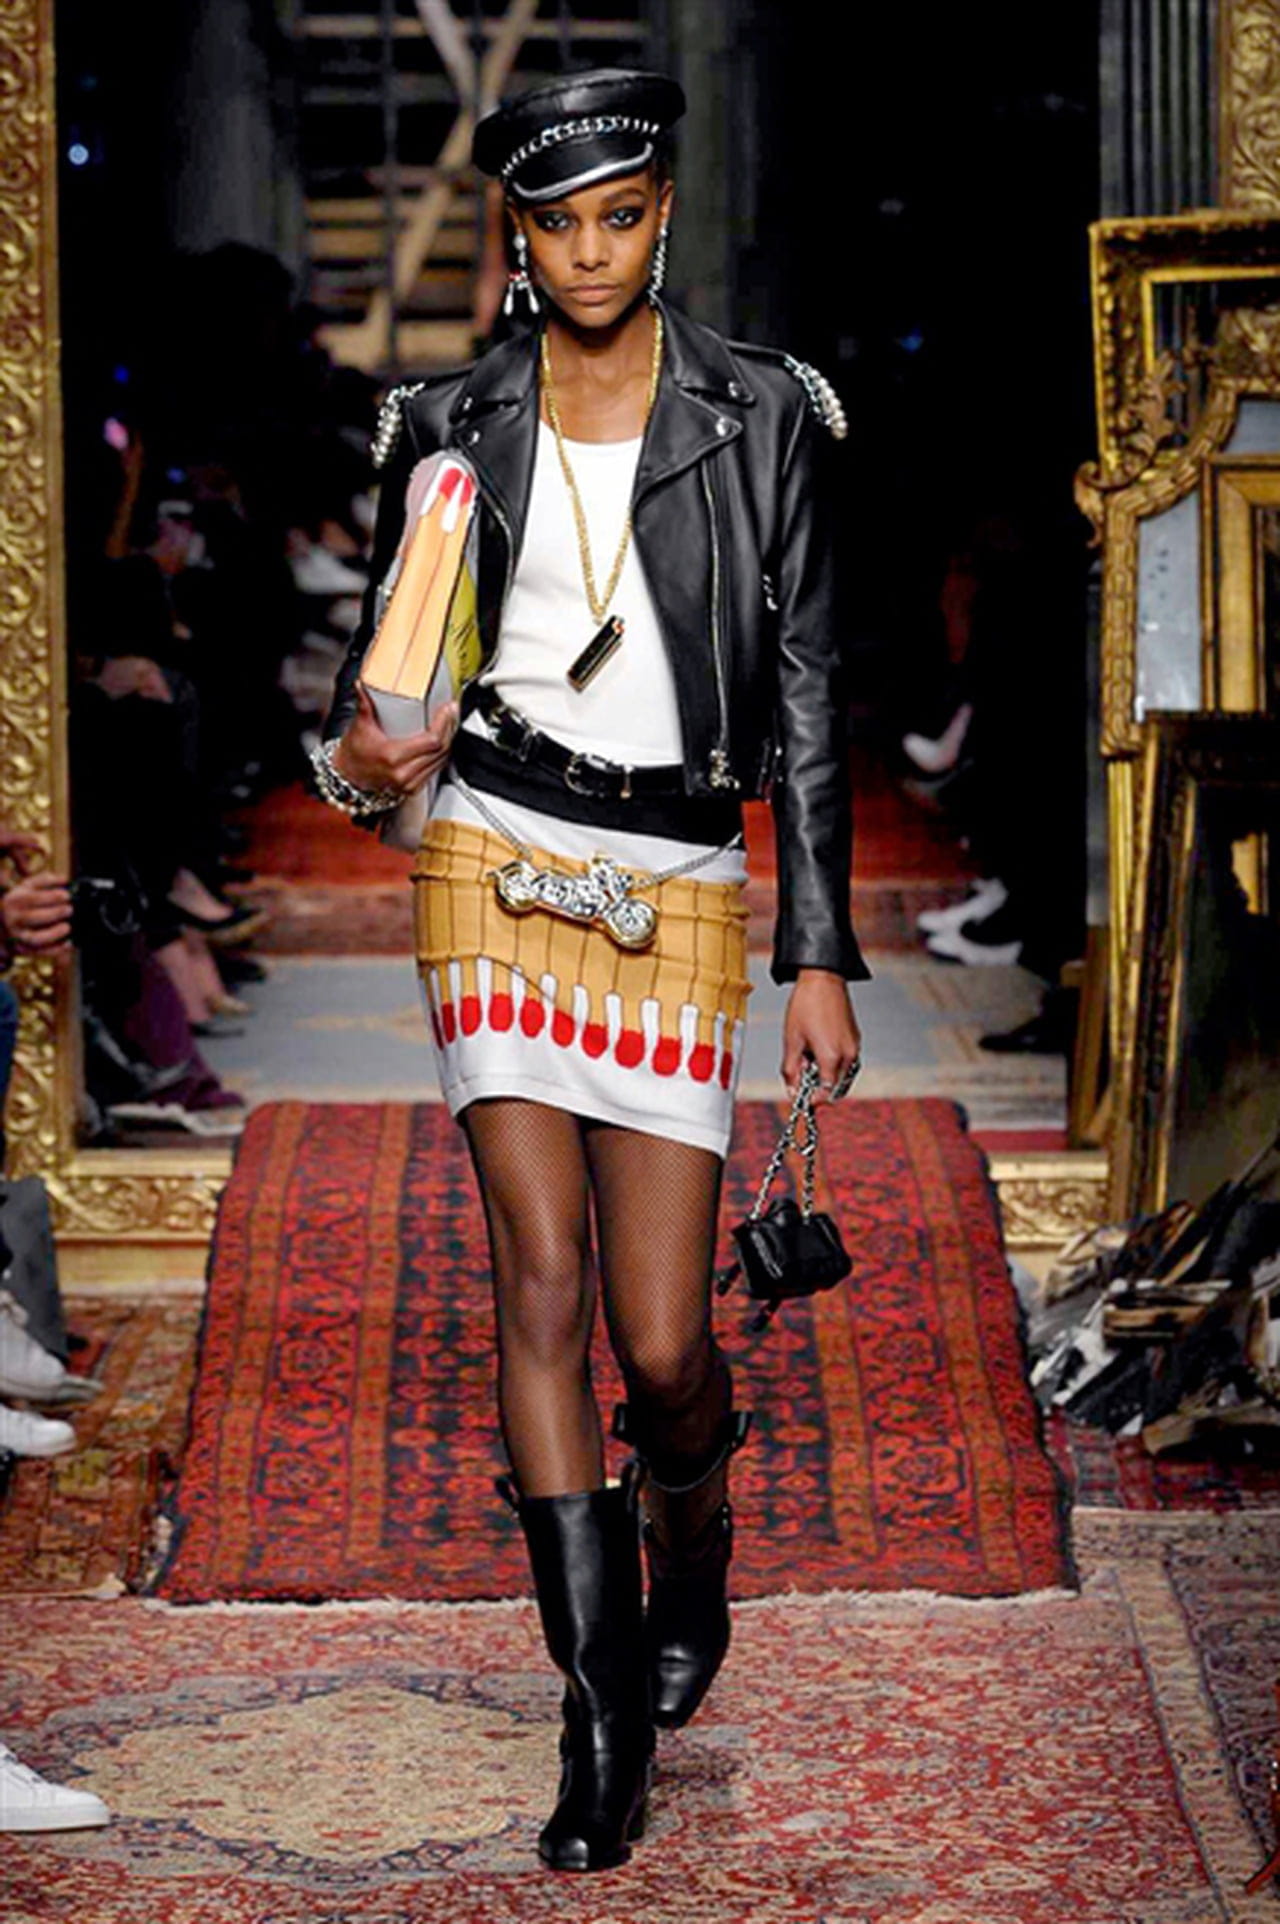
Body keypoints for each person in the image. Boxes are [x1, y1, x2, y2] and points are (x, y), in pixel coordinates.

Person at [319, 69, 866, 1874]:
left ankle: (691, 1542)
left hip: (677, 875)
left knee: (664, 1337)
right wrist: (368, 758)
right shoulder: (450, 421)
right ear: (520, 238)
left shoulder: (764, 412)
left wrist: (816, 950)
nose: (591, 253)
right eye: (558, 226)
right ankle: (600, 1706)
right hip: (492, 854)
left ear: (664, 213)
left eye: (621, 217)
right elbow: (385, 695)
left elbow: (809, 692)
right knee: (539, 1279)